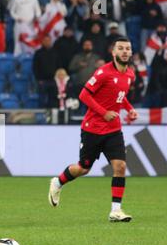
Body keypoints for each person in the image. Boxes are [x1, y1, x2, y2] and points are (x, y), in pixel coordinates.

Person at [48, 37, 138, 222]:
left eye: (128, 48)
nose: (125, 51)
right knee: (83, 168)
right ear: (113, 52)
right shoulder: (103, 72)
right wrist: (104, 113)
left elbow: (120, 96)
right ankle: (58, 181)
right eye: (120, 48)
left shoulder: (130, 75)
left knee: (120, 166)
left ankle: (116, 211)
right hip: (93, 129)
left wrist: (129, 109)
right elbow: (84, 95)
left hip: (113, 130)